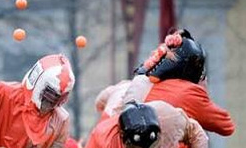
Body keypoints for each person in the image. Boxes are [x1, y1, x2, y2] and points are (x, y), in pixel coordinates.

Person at [98, 29, 235, 137]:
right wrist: (203, 93)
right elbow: (227, 126)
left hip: (102, 144)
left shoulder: (134, 82)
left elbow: (99, 102)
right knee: (190, 140)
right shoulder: (189, 93)